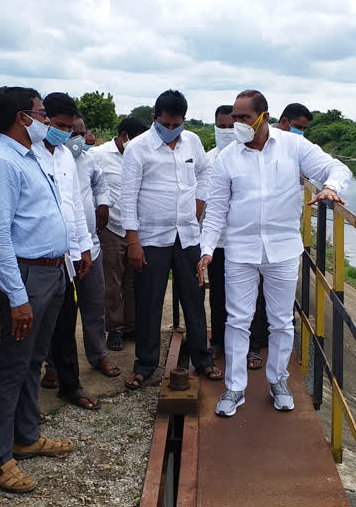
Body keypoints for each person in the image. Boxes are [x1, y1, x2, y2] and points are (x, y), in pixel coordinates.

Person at [198, 90, 352, 417]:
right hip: (240, 249)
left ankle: (278, 380)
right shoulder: (228, 158)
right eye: (235, 118)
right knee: (237, 320)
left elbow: (337, 168)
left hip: (282, 249)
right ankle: (235, 387)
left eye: (243, 117)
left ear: (263, 117)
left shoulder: (294, 147)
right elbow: (215, 211)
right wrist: (207, 249)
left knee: (281, 321)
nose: (237, 124)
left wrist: (331, 187)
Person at [0, 87, 75, 493]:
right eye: (41, 114)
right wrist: (17, 298)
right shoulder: (1, 164)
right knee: (13, 366)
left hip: (51, 272)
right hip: (27, 275)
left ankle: (27, 436)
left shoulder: (30, 157)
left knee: (34, 359)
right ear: (23, 117)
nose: (47, 121)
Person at [120, 89, 221, 389]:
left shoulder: (192, 141)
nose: (172, 130)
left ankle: (202, 358)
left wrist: (200, 202)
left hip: (188, 235)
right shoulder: (138, 149)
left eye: (178, 124)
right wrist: (133, 242)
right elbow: (127, 198)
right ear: (154, 118)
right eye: (166, 124)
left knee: (194, 296)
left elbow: (205, 174)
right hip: (151, 237)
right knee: (149, 301)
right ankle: (146, 364)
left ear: (184, 120)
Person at [32, 92, 98, 410]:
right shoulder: (29, 155)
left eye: (71, 129)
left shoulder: (65, 157)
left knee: (66, 323)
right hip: (35, 259)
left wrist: (83, 249)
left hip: (67, 259)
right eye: (59, 125)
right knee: (33, 332)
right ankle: (29, 402)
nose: (65, 134)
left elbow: (72, 208)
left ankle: (70, 385)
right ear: (44, 119)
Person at [204, 105, 269, 370]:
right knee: (219, 292)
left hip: (251, 239)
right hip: (219, 241)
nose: (228, 131)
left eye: (233, 125)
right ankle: (219, 341)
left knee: (256, 295)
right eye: (222, 126)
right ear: (215, 127)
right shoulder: (208, 160)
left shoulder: (254, 156)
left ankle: (254, 345)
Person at [66, 115, 121, 378]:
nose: (77, 139)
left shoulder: (88, 160)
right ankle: (56, 367)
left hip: (90, 245)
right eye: (70, 132)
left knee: (94, 305)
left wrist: (102, 203)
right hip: (61, 252)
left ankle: (98, 354)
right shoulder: (45, 160)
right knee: (61, 313)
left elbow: (100, 183)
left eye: (81, 132)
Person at [89, 117, 148, 351]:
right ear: (125, 137)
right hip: (111, 227)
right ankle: (113, 328)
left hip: (137, 228)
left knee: (134, 280)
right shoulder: (98, 156)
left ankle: (131, 326)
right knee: (111, 282)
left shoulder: (143, 155)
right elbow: (88, 184)